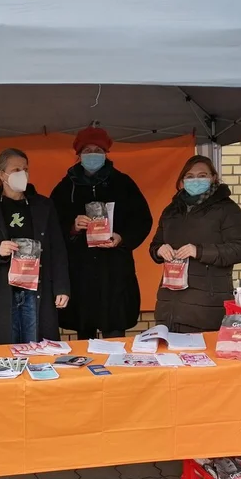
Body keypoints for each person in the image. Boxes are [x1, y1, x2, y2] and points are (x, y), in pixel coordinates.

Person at [50, 127, 153, 340]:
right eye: (87, 150)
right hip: (81, 272)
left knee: (115, 334)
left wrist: (122, 238)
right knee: (84, 336)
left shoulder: (123, 183)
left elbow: (143, 220)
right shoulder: (65, 187)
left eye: (98, 149)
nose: (93, 154)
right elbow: (50, 225)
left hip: (114, 271)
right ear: (78, 154)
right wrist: (72, 226)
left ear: (106, 153)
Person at [0, 148, 71, 345]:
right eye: (16, 170)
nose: (22, 174)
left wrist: (62, 288)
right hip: (3, 289)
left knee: (37, 346)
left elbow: (58, 249)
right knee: (5, 348)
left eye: (25, 169)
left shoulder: (44, 205)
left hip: (37, 287)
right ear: (2, 174)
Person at [149, 155, 241, 332]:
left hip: (206, 308)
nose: (196, 180)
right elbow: (155, 245)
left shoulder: (227, 209)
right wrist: (159, 250)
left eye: (202, 175)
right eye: (190, 176)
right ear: (182, 181)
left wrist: (200, 251)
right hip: (170, 306)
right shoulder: (172, 210)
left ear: (213, 178)